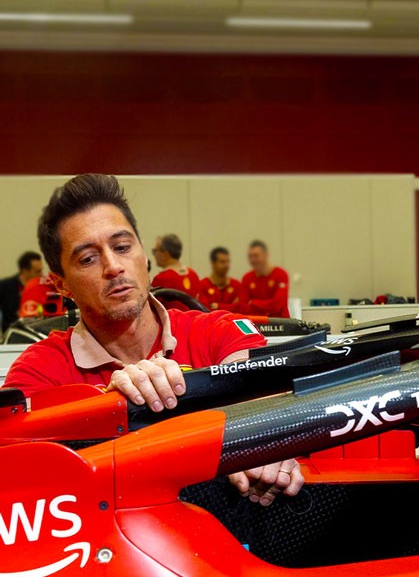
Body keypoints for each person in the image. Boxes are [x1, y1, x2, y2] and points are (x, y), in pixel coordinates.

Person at [4, 173, 303, 505]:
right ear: (61, 285)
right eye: (88, 259)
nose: (114, 266)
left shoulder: (218, 332)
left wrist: (266, 441)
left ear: (144, 254)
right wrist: (109, 407)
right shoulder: (39, 371)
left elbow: (258, 395)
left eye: (122, 247)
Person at [239, 240, 290, 318]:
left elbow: (277, 305)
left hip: (280, 324)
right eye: (250, 256)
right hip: (256, 324)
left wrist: (253, 303)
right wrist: (267, 307)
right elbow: (243, 307)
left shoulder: (281, 275)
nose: (253, 260)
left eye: (256, 256)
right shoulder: (247, 278)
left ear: (266, 255)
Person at [0, 251, 42, 331]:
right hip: (12, 336)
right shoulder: (4, 286)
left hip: (36, 333)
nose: (41, 275)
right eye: (38, 272)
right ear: (25, 271)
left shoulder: (42, 287)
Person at [151, 233, 201, 299]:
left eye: (155, 251)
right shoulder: (193, 275)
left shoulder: (161, 279)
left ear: (165, 254)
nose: (154, 254)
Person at [198, 246, 241, 312]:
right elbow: (205, 310)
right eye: (222, 262)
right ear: (213, 263)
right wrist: (230, 307)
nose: (226, 265)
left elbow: (240, 308)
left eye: (228, 262)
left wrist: (218, 306)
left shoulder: (236, 285)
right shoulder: (203, 285)